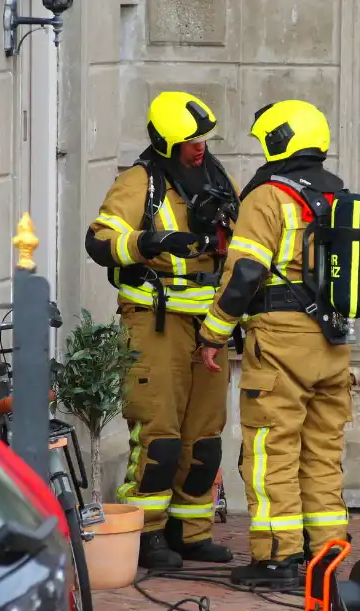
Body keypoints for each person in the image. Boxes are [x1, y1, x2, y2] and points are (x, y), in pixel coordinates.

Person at [199, 100, 355, 587]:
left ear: (278, 140)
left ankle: (277, 558)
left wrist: (213, 331)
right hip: (332, 341)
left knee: (271, 448)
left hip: (282, 340)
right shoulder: (337, 196)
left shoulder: (270, 197)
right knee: (322, 450)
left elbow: (245, 272)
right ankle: (325, 554)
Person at [85, 91, 240, 570]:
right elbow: (100, 240)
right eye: (190, 141)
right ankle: (147, 533)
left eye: (203, 139)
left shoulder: (217, 179)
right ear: (166, 142)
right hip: (156, 323)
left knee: (205, 437)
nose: (200, 147)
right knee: (159, 437)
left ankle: (190, 532)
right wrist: (148, 241)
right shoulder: (141, 183)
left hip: (209, 328)